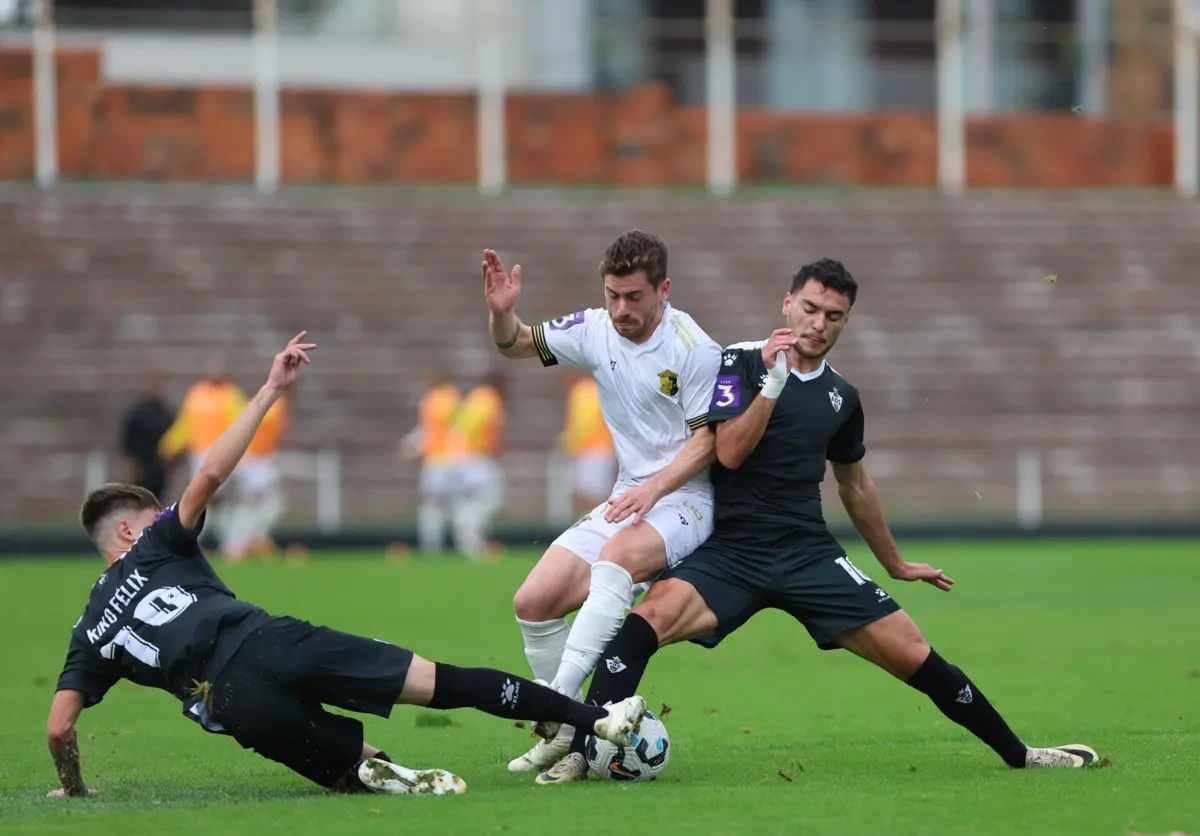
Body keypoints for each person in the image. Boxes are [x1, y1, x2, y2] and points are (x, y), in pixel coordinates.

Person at [536, 258, 1100, 784]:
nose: (818, 323)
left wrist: (896, 563)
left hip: (808, 553)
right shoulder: (737, 361)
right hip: (734, 550)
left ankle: (1022, 755)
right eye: (809, 309)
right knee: (642, 626)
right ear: (787, 303)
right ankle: (585, 753)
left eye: (834, 316)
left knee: (914, 652)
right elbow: (729, 451)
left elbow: (856, 484)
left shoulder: (841, 397)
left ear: (846, 321)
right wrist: (774, 382)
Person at [46, 334, 648, 799]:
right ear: (129, 529)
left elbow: (58, 729)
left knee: (345, 765)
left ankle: (373, 768)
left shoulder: (87, 631)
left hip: (228, 703)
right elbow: (206, 476)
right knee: (443, 682)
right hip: (271, 640)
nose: (165, 520)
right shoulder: (155, 546)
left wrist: (72, 786)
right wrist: (270, 390)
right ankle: (594, 721)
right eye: (154, 515)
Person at [482, 230, 722, 776]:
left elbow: (710, 442)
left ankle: (559, 711)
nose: (620, 309)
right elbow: (513, 343)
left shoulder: (693, 349)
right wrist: (501, 314)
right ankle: (572, 733)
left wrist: (654, 488)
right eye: (612, 295)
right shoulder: (594, 328)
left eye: (633, 297)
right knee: (534, 599)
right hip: (629, 498)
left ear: (664, 290)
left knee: (615, 561)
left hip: (685, 499)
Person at [223, 389, 291, 563]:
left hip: (258, 460)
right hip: (253, 461)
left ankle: (244, 543)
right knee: (260, 505)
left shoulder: (273, 406)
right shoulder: (274, 407)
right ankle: (242, 544)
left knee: (260, 505)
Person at [398, 371, 463, 555]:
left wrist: (409, 447)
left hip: (437, 460)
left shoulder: (432, 401)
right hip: (454, 460)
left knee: (432, 506)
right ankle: (460, 546)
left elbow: (429, 431)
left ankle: (432, 547)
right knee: (454, 505)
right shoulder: (454, 396)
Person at [448, 371, 507, 560]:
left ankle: (468, 536)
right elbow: (478, 426)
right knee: (492, 497)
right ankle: (470, 538)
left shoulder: (477, 395)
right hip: (472, 455)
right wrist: (488, 446)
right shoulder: (489, 399)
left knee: (475, 499)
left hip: (462, 454)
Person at [558, 369, 616, 518]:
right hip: (595, 451)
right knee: (583, 494)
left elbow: (583, 424)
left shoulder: (584, 392)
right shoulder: (592, 389)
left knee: (594, 496)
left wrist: (571, 447)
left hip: (593, 450)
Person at [118, 371, 175, 498]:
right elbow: (128, 436)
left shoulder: (164, 412)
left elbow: (172, 435)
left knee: (158, 497)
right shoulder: (137, 412)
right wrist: (132, 461)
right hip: (142, 462)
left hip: (159, 464)